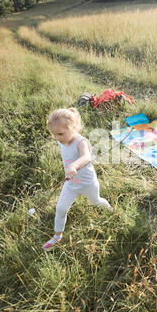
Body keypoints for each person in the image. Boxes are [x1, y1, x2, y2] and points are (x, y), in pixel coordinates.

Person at [43, 107, 113, 250]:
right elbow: (62, 141)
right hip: (71, 184)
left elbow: (86, 157)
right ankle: (57, 236)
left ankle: (110, 209)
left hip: (88, 183)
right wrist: (70, 170)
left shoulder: (81, 142)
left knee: (96, 201)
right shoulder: (62, 139)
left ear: (74, 128)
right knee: (61, 208)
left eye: (60, 134)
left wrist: (74, 166)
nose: (57, 138)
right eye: (54, 134)